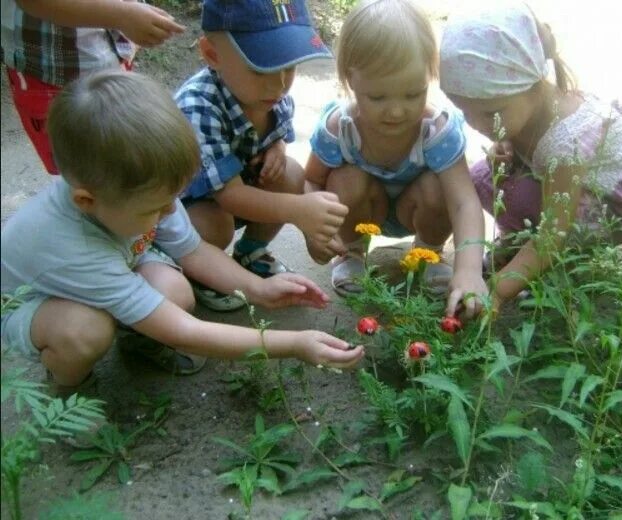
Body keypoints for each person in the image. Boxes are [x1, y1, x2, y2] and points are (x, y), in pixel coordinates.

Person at [0, 70, 365, 395]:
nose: (171, 211)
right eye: (155, 209)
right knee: (83, 331)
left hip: (119, 256)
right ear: (86, 201)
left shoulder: (133, 195)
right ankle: (66, 391)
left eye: (171, 199)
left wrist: (259, 289)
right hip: (34, 300)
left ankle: (136, 331)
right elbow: (185, 332)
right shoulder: (72, 246)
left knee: (177, 291)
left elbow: (193, 250)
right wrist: (294, 344)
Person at [439, 1, 622, 314]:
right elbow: (516, 137)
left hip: (612, 205)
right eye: (465, 111)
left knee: (527, 209)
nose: (478, 125)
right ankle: (521, 246)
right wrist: (507, 144)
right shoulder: (525, 110)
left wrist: (499, 289)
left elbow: (555, 231)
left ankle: (551, 271)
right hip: (560, 180)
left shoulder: (567, 141)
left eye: (490, 114)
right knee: (481, 179)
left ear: (531, 85)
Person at [304, 0, 488, 319]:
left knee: (440, 186)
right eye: (378, 97)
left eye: (413, 94)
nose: (397, 110)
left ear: (430, 76)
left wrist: (469, 268)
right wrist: (313, 229)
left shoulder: (437, 131)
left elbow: (464, 203)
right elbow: (312, 180)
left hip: (415, 209)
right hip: (362, 210)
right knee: (345, 180)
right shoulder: (340, 129)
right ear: (350, 80)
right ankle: (352, 253)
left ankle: (428, 253)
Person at [175, 0, 349, 311]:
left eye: (289, 66)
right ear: (212, 54)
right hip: (194, 204)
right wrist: (300, 213)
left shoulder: (269, 93)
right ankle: (202, 272)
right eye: (261, 67)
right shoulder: (197, 107)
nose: (280, 83)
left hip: (241, 184)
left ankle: (251, 252)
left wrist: (277, 148)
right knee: (214, 225)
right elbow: (229, 197)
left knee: (291, 173)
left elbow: (278, 134)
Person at [1, 0, 186, 174]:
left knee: (123, 159)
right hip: (52, 75)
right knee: (87, 173)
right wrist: (122, 16)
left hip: (108, 53)